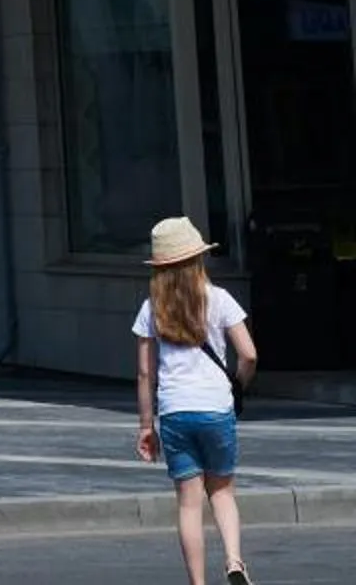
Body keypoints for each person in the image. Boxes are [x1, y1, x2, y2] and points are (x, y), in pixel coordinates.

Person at [134, 215, 258, 585]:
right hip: (216, 408)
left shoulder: (151, 309)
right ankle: (235, 562)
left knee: (189, 503)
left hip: (175, 410)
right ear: (199, 258)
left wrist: (145, 426)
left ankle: (197, 583)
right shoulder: (220, 299)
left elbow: (145, 374)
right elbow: (249, 354)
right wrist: (238, 386)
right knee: (222, 492)